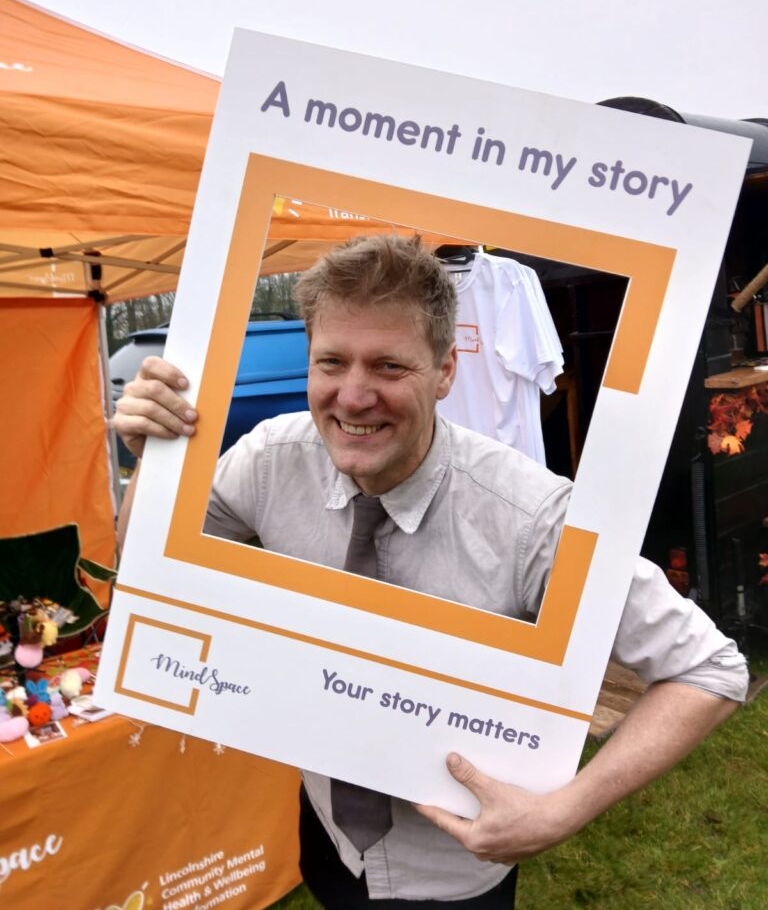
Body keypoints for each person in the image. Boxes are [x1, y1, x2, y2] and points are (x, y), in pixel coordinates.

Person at [114, 234, 748, 908]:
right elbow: (149, 573)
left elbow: (708, 670)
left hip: (455, 870)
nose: (353, 396)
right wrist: (151, 464)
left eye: (389, 366)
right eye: (332, 362)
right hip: (328, 834)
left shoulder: (530, 517)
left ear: (445, 371)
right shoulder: (269, 461)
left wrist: (564, 811)